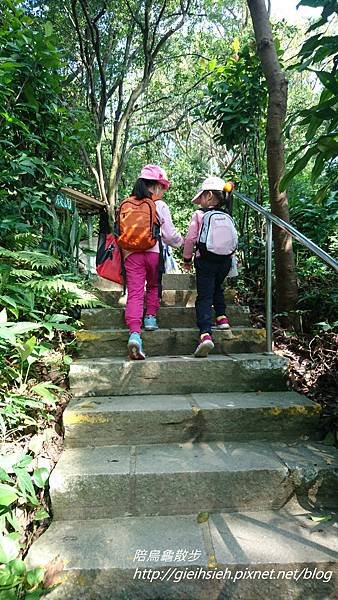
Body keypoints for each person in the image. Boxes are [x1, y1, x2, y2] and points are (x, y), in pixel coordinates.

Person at [121, 164, 183, 360]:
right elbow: (170, 235)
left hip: (131, 254)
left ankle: (134, 334)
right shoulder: (160, 206)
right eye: (162, 187)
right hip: (153, 252)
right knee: (154, 286)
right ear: (156, 185)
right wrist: (181, 243)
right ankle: (150, 319)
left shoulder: (127, 203)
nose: (163, 191)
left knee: (135, 293)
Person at [183, 176, 237, 358]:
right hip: (225, 261)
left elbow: (190, 239)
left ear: (207, 196)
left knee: (204, 296)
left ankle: (205, 334)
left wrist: (187, 258)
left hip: (205, 260)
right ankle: (222, 317)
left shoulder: (199, 214)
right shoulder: (227, 215)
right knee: (217, 288)